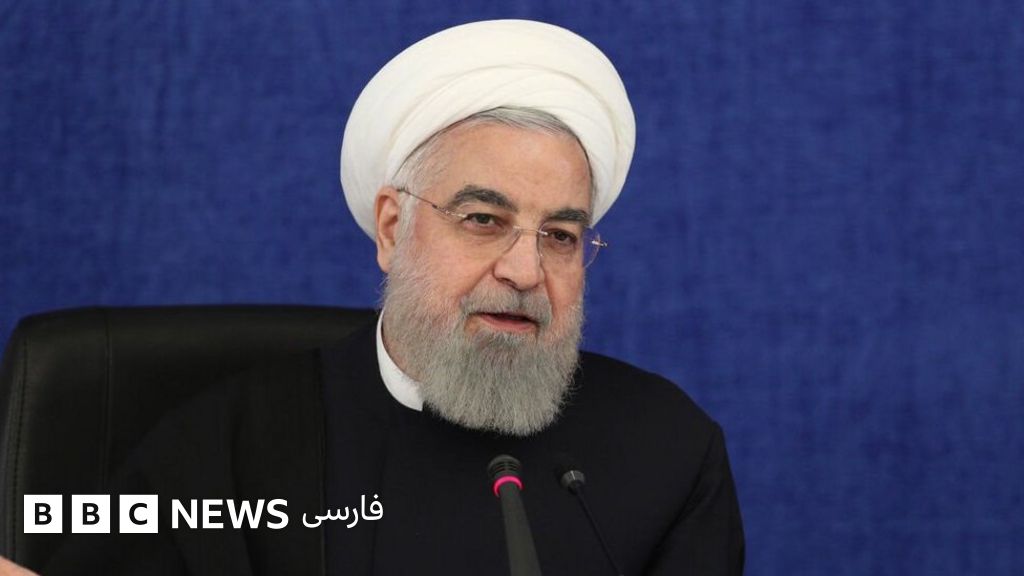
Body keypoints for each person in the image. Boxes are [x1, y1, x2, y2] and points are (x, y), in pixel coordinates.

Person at [29, 19, 743, 576]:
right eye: (483, 220)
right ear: (394, 229)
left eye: (559, 235)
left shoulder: (669, 450)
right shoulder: (231, 444)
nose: (526, 271)